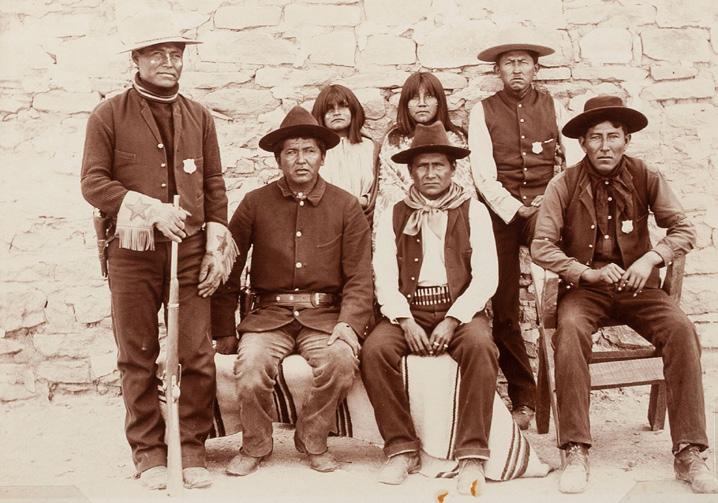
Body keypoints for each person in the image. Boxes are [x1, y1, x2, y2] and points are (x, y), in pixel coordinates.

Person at [531, 95, 718, 495]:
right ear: (583, 143)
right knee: (569, 333)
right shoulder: (563, 184)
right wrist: (585, 272)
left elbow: (684, 230)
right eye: (595, 137)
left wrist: (651, 258)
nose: (605, 146)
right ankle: (575, 449)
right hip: (585, 290)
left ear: (627, 140)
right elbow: (541, 246)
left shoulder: (646, 175)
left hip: (638, 289)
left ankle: (689, 452)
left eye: (613, 136)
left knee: (682, 331)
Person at [80, 10, 235, 491]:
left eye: (176, 54)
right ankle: (148, 451)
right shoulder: (109, 114)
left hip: (189, 252)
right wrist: (148, 209)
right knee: (138, 352)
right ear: (137, 59)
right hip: (132, 252)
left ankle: (191, 448)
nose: (169, 62)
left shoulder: (199, 115)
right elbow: (93, 183)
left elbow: (213, 184)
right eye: (158, 54)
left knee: (195, 351)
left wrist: (215, 243)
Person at [211, 106, 373, 476]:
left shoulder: (346, 205)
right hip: (269, 316)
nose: (301, 160)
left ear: (322, 157)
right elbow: (229, 266)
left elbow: (360, 276)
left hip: (324, 317)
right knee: (251, 368)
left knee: (340, 361)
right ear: (279, 159)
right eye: (291, 152)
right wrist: (223, 329)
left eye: (309, 151)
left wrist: (348, 324)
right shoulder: (255, 203)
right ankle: (255, 444)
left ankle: (313, 438)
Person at [362, 121, 499, 496]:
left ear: (453, 169)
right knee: (375, 351)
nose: (431, 173)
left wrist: (454, 318)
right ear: (410, 171)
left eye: (439, 165)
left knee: (481, 347)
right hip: (410, 310)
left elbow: (487, 276)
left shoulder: (474, 212)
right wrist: (404, 320)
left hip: (460, 310)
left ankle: (472, 453)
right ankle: (401, 448)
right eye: (422, 166)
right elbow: (383, 273)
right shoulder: (393, 213)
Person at [468, 29, 579, 429]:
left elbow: (574, 162)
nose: (516, 69)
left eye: (523, 63)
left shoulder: (554, 105)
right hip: (501, 216)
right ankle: (524, 398)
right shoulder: (482, 111)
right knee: (504, 307)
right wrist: (516, 209)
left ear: (536, 69)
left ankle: (568, 392)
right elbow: (483, 174)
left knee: (561, 296)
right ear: (497, 71)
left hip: (546, 212)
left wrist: (549, 204)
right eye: (508, 63)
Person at [374, 72, 475, 233]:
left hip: (449, 216)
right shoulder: (394, 140)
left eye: (428, 97)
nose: (422, 104)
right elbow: (388, 185)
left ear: (439, 101)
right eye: (415, 98)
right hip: (408, 218)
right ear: (406, 104)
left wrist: (436, 207)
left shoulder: (455, 138)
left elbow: (463, 183)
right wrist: (416, 206)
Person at [311, 84, 378, 217]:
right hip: (324, 217)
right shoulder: (314, 150)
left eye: (343, 106)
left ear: (353, 110)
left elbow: (381, 190)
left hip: (364, 218)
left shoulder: (370, 148)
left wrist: (364, 201)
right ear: (321, 115)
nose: (336, 113)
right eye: (329, 109)